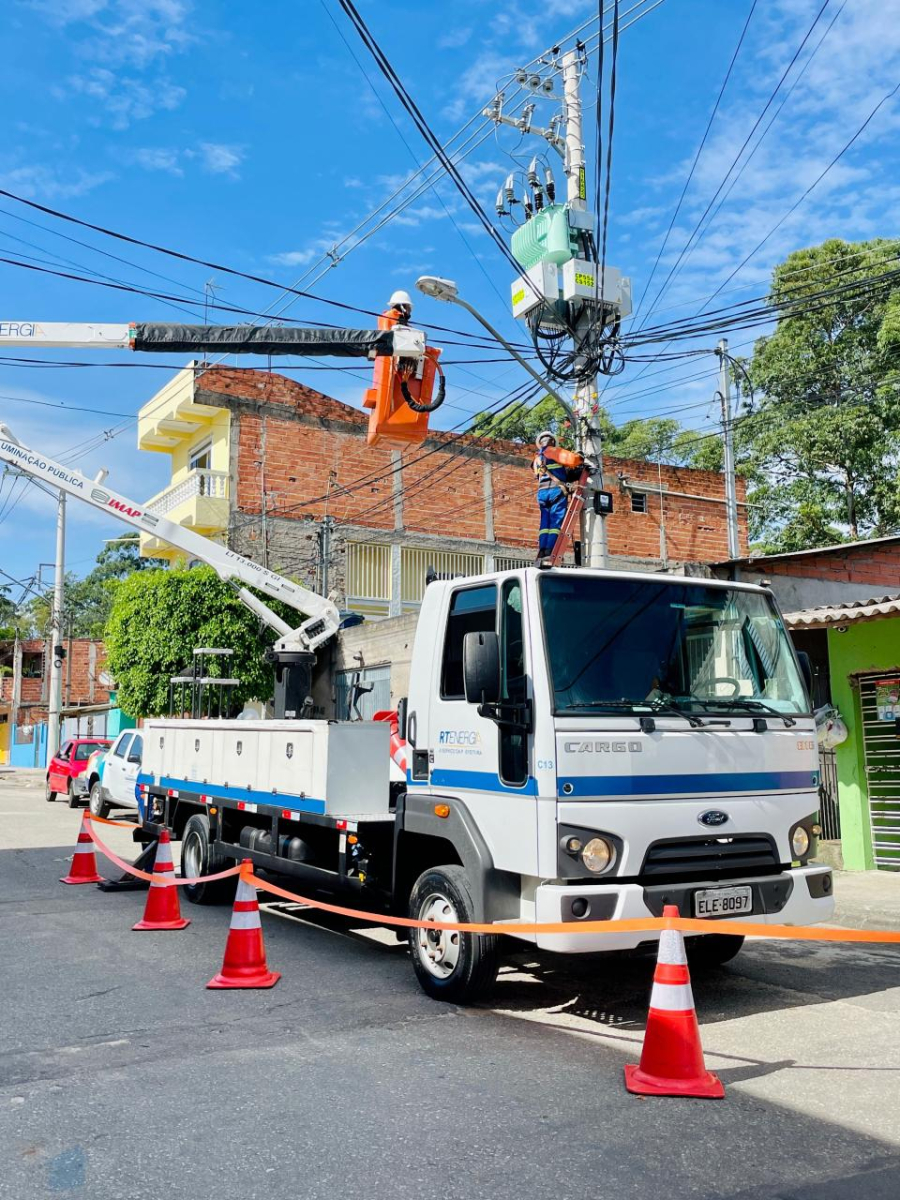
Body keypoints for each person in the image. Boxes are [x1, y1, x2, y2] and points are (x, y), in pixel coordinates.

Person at [532, 430, 569, 562]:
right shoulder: (557, 453)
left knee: (544, 523)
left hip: (542, 493)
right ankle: (550, 549)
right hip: (556, 490)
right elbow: (575, 460)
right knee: (555, 522)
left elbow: (537, 474)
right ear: (552, 441)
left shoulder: (536, 459)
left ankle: (542, 550)